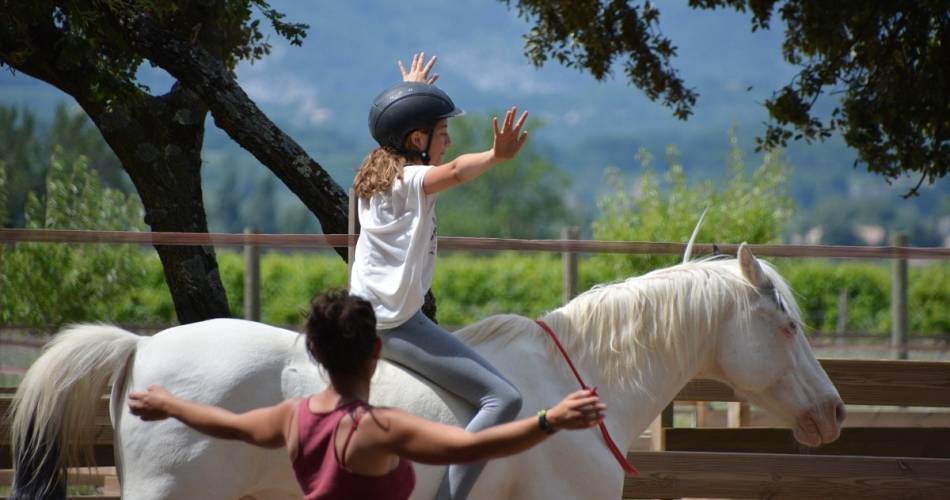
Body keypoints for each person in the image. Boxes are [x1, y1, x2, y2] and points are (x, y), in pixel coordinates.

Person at [128, 291, 606, 500]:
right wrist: (551, 420)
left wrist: (169, 404)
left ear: (314, 351)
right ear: (376, 351)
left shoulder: (290, 418)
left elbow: (225, 424)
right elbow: (474, 446)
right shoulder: (380, 428)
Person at [349, 52, 532, 499]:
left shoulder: (375, 177)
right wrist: (495, 155)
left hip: (368, 314)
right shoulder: (410, 181)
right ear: (417, 138)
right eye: (443, 133)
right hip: (393, 324)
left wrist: (411, 93)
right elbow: (451, 172)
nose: (447, 143)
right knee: (504, 400)